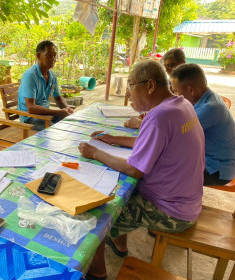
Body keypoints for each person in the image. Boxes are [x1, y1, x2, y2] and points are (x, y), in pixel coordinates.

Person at [78, 60, 205, 280]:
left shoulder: (158, 116)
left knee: (94, 213)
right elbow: (151, 141)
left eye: (131, 85)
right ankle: (119, 243)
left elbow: (135, 170)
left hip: (171, 211)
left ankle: (97, 272)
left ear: (150, 86)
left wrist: (96, 153)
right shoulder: (180, 104)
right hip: (188, 201)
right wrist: (112, 139)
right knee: (115, 191)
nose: (128, 93)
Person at [171, 63, 235, 186]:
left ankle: (177, 203)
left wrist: (145, 124)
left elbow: (175, 135)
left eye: (176, 91)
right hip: (209, 161)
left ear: (191, 90)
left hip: (217, 169)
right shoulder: (206, 97)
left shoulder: (210, 108)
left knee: (161, 169)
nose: (175, 96)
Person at [18, 40, 74, 131]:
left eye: (54, 55)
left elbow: (58, 98)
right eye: (49, 55)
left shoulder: (52, 75)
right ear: (38, 56)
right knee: (55, 132)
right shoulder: (30, 75)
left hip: (45, 115)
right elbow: (31, 108)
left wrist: (67, 108)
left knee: (71, 123)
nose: (53, 59)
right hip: (30, 118)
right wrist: (59, 112)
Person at [124, 48, 186, 129]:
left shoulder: (160, 116)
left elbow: (165, 124)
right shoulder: (182, 102)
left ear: (150, 86)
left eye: (131, 86)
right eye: (165, 67)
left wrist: (144, 123)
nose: (167, 70)